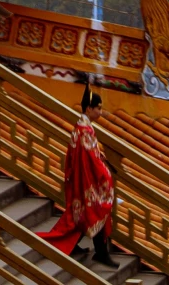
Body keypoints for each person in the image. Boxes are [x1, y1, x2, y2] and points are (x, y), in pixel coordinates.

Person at [39, 87, 116, 265]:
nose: (100, 111)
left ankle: (96, 250)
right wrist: (105, 174)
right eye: (98, 108)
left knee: (87, 212)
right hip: (86, 179)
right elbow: (91, 159)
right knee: (96, 208)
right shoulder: (85, 131)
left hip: (82, 177)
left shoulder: (82, 127)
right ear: (89, 109)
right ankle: (101, 252)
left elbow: (88, 155)